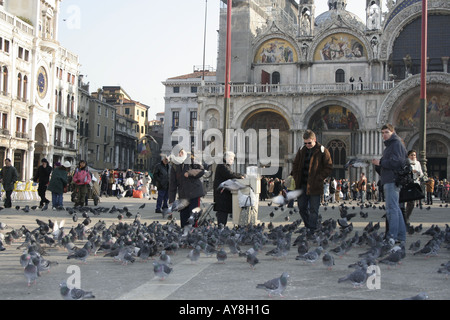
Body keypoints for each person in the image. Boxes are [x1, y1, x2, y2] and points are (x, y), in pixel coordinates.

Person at [372, 124, 407, 244]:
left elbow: (397, 162)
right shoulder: (391, 145)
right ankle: (401, 236)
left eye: (386, 132)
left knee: (391, 209)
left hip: (392, 180)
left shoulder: (396, 144)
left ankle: (392, 236)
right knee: (396, 208)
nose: (384, 135)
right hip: (389, 179)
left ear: (393, 132)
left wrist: (381, 162)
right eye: (382, 133)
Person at [292, 130, 333, 231]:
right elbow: (295, 164)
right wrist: (295, 176)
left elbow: (329, 166)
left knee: (314, 209)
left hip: (315, 186)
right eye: (305, 143)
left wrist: (319, 177)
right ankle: (308, 225)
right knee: (301, 208)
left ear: (314, 139)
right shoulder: (302, 150)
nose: (307, 145)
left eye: (309, 143)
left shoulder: (323, 150)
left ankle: (312, 229)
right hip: (302, 185)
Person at [168, 148, 205, 228]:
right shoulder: (174, 165)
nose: (180, 154)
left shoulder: (192, 159)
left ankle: (193, 234)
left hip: (194, 193)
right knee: (184, 219)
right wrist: (171, 200)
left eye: (181, 152)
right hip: (183, 195)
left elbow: (201, 170)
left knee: (193, 217)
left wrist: (190, 173)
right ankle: (184, 236)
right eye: (178, 153)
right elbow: (172, 184)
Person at [213, 151, 244, 226]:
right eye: (231, 159)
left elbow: (232, 173)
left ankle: (222, 227)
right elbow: (230, 174)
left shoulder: (225, 165)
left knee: (223, 212)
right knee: (222, 213)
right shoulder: (222, 166)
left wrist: (241, 175)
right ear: (225, 158)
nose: (232, 161)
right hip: (221, 194)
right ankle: (221, 228)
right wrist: (241, 176)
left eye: (233, 159)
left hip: (223, 194)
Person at [405, 150, 424, 223]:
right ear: (408, 156)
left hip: (415, 183)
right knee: (407, 201)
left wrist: (418, 173)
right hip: (408, 183)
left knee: (412, 202)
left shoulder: (418, 163)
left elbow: (421, 173)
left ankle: (407, 216)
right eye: (411, 155)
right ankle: (405, 217)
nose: (413, 157)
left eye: (414, 155)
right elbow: (403, 171)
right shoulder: (406, 163)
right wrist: (411, 171)